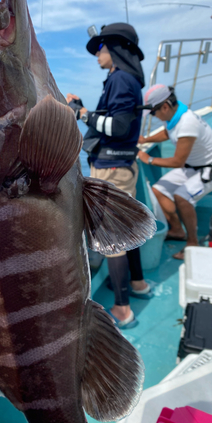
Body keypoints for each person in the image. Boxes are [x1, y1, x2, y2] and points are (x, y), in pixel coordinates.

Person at [67, 23, 153, 330]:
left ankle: (122, 308)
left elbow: (116, 128)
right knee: (126, 231)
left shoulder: (120, 79)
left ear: (115, 49)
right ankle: (139, 284)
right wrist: (84, 111)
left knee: (112, 238)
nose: (98, 55)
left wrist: (80, 113)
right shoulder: (127, 80)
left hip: (111, 169)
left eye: (101, 49)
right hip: (122, 166)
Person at [138, 84, 212, 260]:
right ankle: (177, 230)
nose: (154, 116)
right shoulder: (176, 117)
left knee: (183, 197)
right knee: (159, 190)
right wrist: (146, 139)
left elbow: (177, 161)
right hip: (193, 167)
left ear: (165, 106)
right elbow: (168, 133)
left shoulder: (187, 122)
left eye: (153, 113)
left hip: (211, 169)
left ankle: (192, 243)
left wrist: (149, 159)